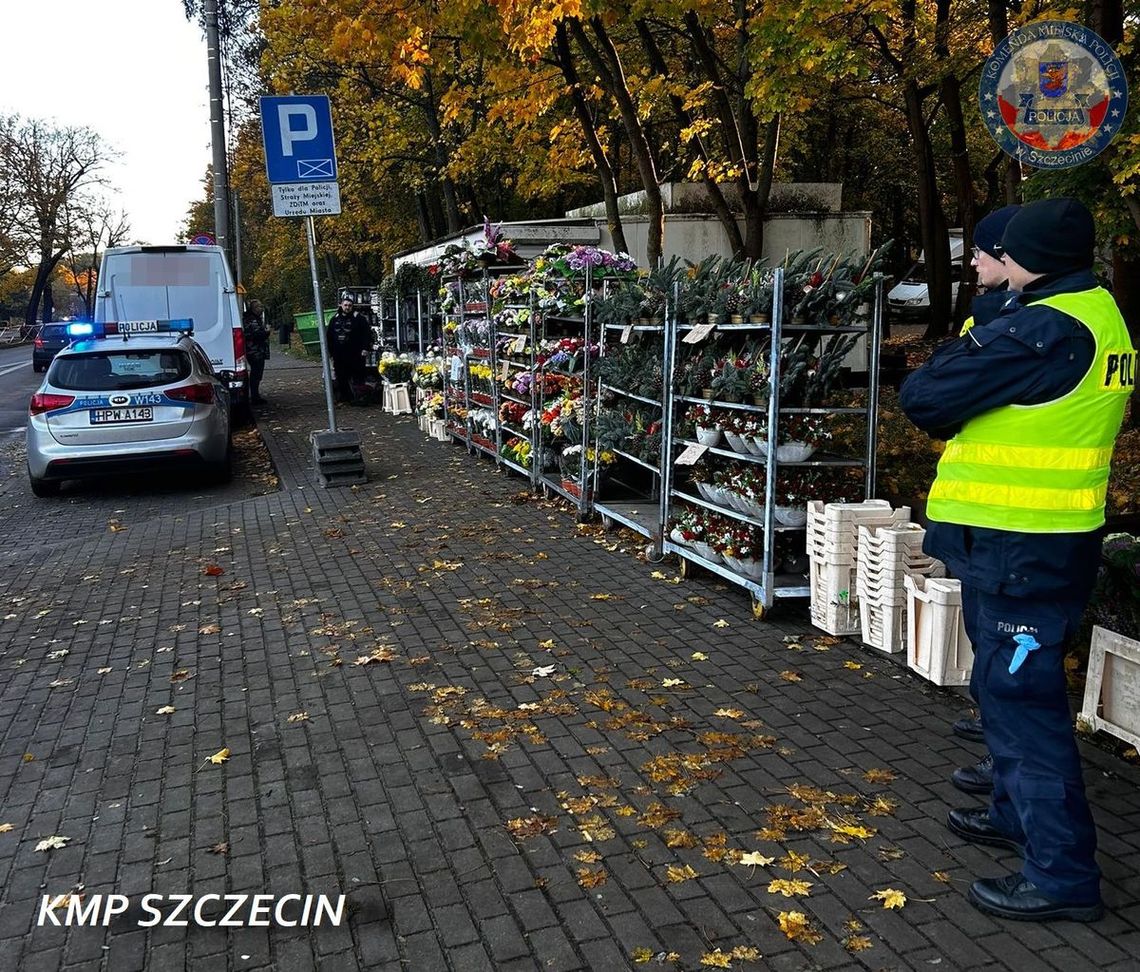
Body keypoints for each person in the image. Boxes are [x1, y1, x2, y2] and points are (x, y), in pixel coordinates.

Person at [900, 197, 1136, 923]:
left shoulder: (1044, 327)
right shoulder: (1098, 313)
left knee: (1023, 707)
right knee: (1010, 694)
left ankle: (1062, 876)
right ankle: (1011, 812)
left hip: (1020, 546)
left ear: (1026, 254)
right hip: (1043, 540)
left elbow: (924, 396)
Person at [950, 203, 1020, 796]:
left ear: (1008, 256)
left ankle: (1006, 771)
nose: (971, 261)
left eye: (979, 251)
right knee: (988, 639)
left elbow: (935, 394)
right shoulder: (994, 316)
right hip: (991, 512)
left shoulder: (1024, 327)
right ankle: (992, 729)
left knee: (1010, 656)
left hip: (1014, 521)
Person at [326, 297, 373, 403]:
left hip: (356, 353)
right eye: (345, 305)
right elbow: (329, 336)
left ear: (353, 306)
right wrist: (330, 352)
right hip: (339, 354)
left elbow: (367, 334)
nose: (347, 307)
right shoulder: (335, 319)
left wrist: (365, 348)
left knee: (358, 376)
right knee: (341, 376)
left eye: (349, 305)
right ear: (341, 305)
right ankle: (344, 397)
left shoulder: (359, 319)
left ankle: (359, 397)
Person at [242, 299, 271, 406]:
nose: (261, 309)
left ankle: (255, 395)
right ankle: (255, 396)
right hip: (254, 350)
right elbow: (257, 334)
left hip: (255, 349)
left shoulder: (253, 318)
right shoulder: (252, 319)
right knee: (256, 373)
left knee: (257, 373)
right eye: (259, 307)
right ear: (253, 308)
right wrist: (267, 332)